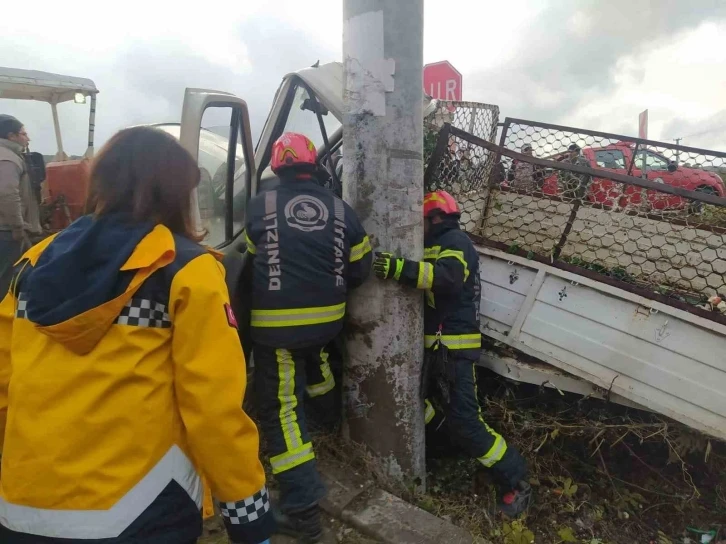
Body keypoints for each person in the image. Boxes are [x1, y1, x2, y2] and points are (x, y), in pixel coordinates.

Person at [0, 126, 275, 544]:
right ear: (177, 191)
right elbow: (212, 407)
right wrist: (247, 514)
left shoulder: (32, 263)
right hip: (138, 511)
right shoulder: (184, 269)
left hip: (21, 509)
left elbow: (4, 384)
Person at [372, 190, 532, 518]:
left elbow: (446, 278)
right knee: (426, 407)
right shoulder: (441, 241)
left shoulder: (455, 241)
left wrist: (397, 268)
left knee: (465, 422)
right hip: (440, 347)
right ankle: (443, 455)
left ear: (434, 218)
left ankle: (515, 480)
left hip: (455, 348)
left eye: (423, 223)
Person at [245, 132, 372, 542]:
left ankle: (302, 507)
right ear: (313, 165)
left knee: (280, 409)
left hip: (276, 331)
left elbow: (249, 261)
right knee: (317, 367)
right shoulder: (341, 209)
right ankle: (328, 422)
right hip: (327, 323)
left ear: (277, 168)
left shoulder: (259, 206)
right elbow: (361, 268)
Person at [0, 115, 41, 296]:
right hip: (6, 231)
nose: (28, 138)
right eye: (23, 133)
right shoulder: (8, 159)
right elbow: (7, 194)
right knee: (6, 280)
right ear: (11, 136)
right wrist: (18, 227)